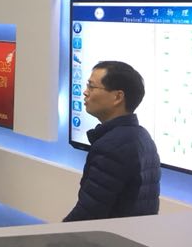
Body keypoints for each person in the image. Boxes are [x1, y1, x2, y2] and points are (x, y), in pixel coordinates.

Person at [64, 60, 161, 222]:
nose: (85, 92)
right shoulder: (143, 137)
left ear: (118, 97)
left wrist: (56, 234)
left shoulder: (112, 147)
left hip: (109, 237)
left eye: (91, 87)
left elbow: (88, 213)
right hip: (134, 235)